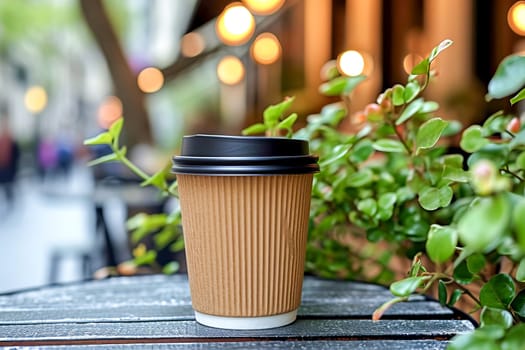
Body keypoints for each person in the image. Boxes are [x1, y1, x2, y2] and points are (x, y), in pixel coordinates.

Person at [0, 117, 20, 210]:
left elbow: (16, 156)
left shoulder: (13, 142)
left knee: (9, 187)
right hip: (2, 168)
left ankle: (10, 202)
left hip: (9, 168)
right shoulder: (2, 142)